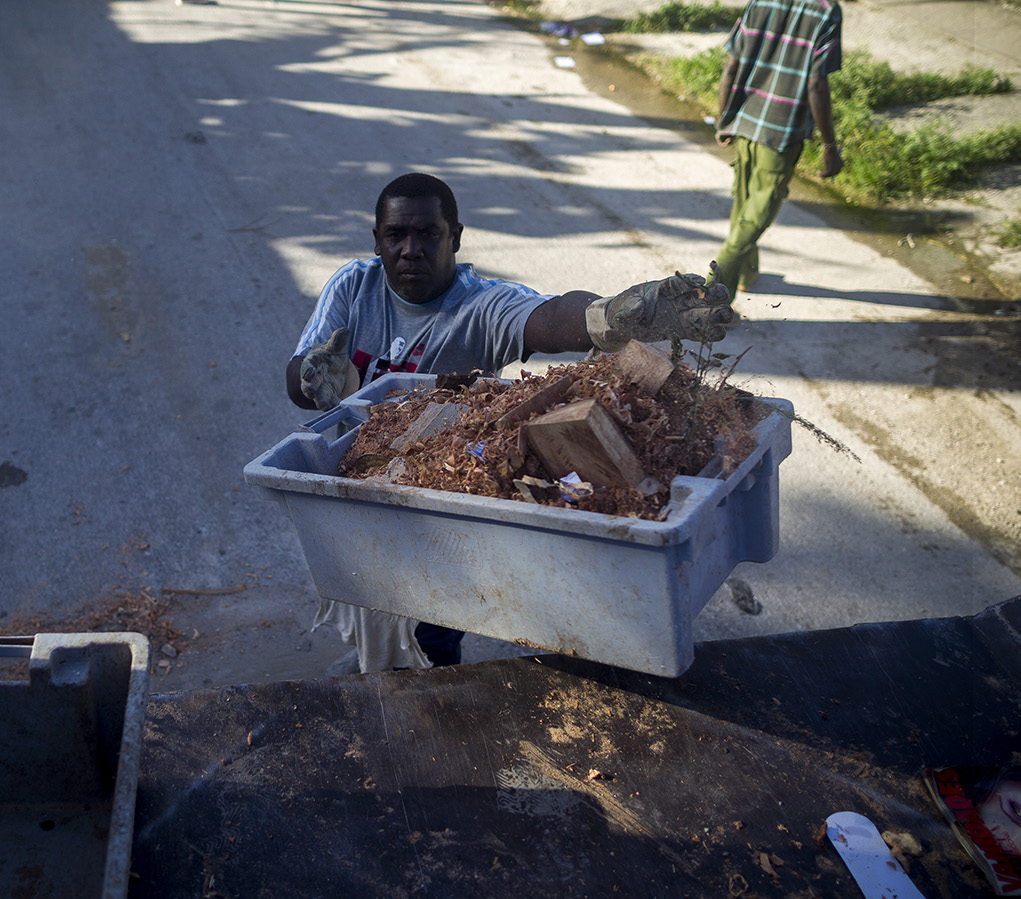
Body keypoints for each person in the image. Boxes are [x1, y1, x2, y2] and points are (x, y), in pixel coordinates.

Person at [283, 172, 734, 673]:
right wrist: (309, 376)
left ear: (454, 237)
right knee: (364, 592)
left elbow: (551, 316)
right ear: (377, 241)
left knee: (432, 623)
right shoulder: (354, 285)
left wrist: (613, 318)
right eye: (396, 236)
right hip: (354, 491)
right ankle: (380, 664)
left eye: (428, 234)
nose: (411, 249)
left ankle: (432, 691)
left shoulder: (480, 303)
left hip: (436, 501)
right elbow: (298, 381)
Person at [713, 0, 845, 296]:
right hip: (782, 129)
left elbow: (731, 64)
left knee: (746, 199)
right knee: (758, 212)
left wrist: (725, 117)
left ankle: (746, 273)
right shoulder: (826, 10)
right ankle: (712, 293)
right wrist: (829, 146)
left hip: (746, 118)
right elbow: (817, 85)